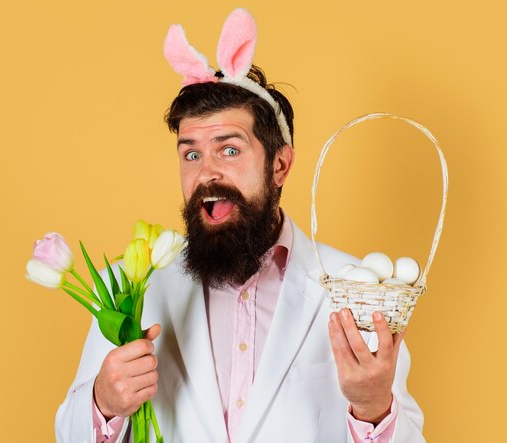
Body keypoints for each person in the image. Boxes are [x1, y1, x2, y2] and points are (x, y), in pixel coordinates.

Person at [55, 9, 424, 443]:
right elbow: (70, 435)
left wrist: (374, 408)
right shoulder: (128, 286)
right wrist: (104, 403)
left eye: (229, 150)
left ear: (280, 165)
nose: (207, 173)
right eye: (191, 154)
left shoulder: (356, 289)